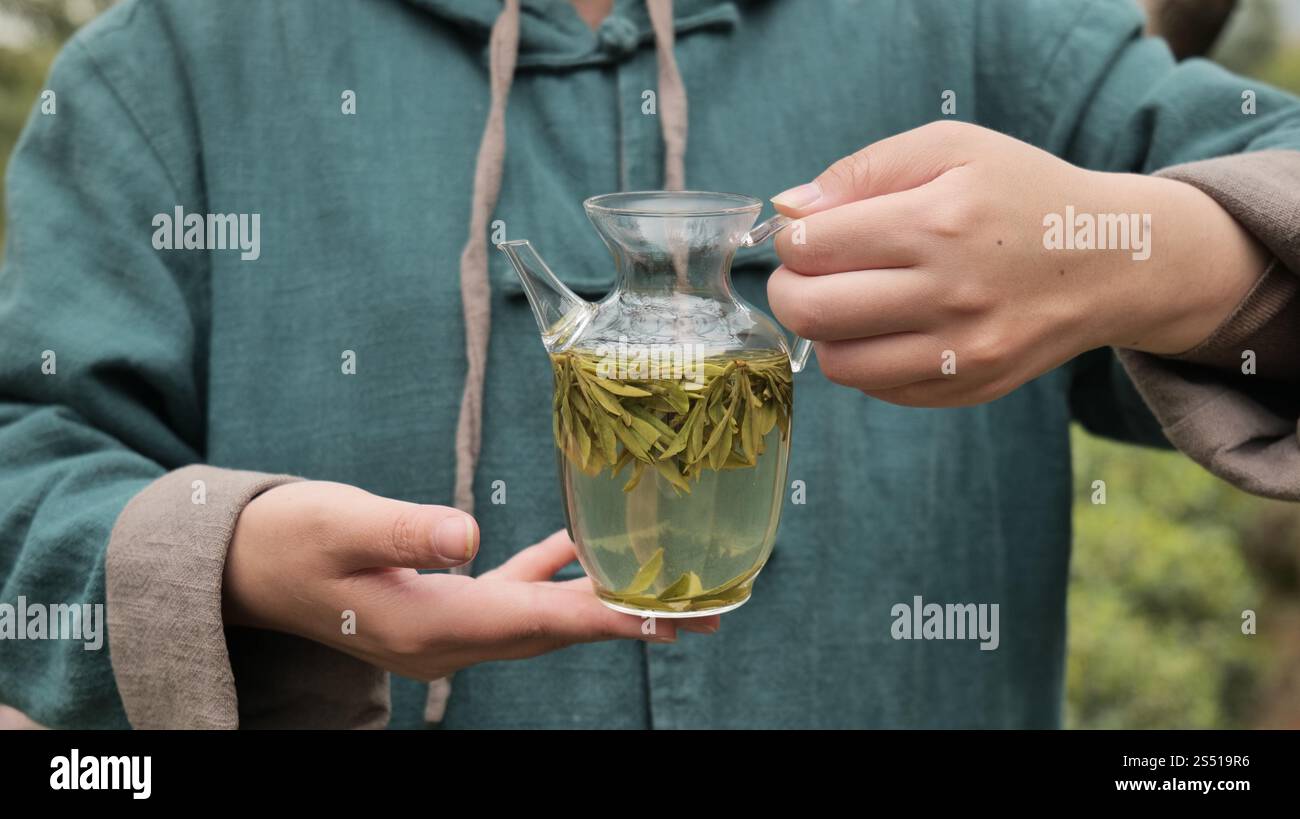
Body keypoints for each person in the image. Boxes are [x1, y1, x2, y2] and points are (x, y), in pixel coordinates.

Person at [0, 0, 1297, 729]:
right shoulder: (171, 69)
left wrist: (1159, 249)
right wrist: (240, 556)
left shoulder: (982, 33)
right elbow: (26, 473)